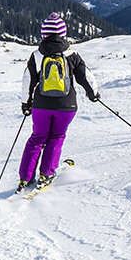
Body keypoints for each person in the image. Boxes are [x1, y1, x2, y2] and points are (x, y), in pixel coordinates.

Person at [19, 12, 99, 191]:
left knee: (37, 139)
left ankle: (25, 177)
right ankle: (46, 173)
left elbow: (28, 81)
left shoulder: (36, 56)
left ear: (44, 34)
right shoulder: (72, 54)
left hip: (41, 106)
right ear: (63, 33)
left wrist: (26, 103)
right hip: (66, 106)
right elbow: (85, 77)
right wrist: (93, 94)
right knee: (56, 137)